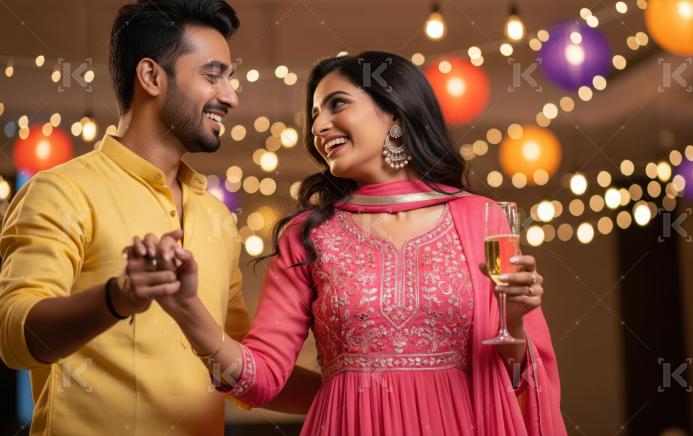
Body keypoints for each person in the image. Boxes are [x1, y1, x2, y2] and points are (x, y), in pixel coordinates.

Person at [141, 51, 567, 435]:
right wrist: (187, 309)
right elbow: (261, 380)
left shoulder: (481, 218)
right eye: (314, 114)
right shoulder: (308, 235)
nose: (319, 126)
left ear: (395, 113)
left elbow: (515, 382)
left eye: (337, 104)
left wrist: (513, 322)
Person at [0, 1, 317, 434]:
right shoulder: (60, 191)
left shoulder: (217, 215)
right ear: (151, 76)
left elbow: (245, 372)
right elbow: (17, 338)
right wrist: (117, 298)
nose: (230, 96)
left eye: (229, 77)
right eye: (213, 75)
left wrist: (358, 391)